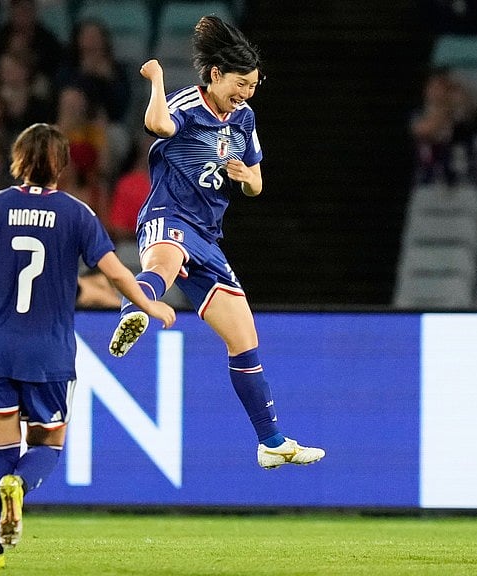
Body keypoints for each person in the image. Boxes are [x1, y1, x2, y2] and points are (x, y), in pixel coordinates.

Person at [0, 123, 176, 569]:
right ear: (61, 166)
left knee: (0, 455)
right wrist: (149, 303)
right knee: (46, 448)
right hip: (47, 354)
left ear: (18, 160)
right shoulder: (76, 213)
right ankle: (20, 488)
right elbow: (116, 272)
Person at [108, 15, 324, 470]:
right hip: (169, 215)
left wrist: (246, 178)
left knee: (244, 338)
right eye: (240, 83)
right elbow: (158, 124)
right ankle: (134, 310)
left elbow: (256, 184)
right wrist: (157, 78)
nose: (246, 93)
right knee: (164, 265)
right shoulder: (188, 104)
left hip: (208, 235)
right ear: (214, 75)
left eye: (253, 85)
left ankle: (271, 442)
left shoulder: (244, 118)